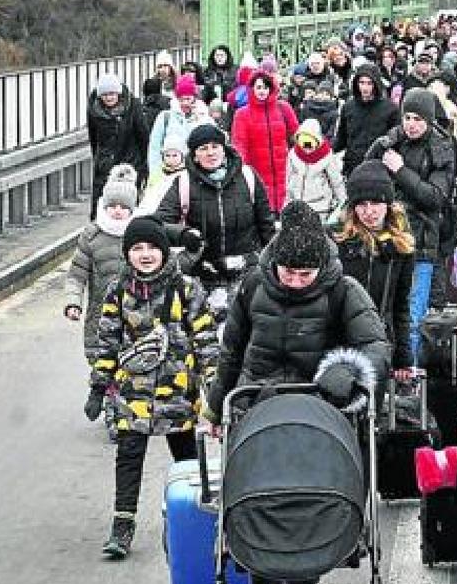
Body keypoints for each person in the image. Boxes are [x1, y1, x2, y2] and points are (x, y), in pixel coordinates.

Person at [89, 217, 217, 560]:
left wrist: (215, 394)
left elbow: (206, 342)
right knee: (128, 457)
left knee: (187, 462)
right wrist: (99, 386)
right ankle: (122, 524)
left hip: (177, 394)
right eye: (136, 248)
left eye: (151, 248)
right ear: (127, 253)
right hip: (134, 395)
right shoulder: (117, 291)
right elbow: (107, 343)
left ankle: (192, 518)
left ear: (163, 250)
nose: (144, 255)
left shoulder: (186, 289)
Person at [205, 201, 391, 423]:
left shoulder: (344, 290)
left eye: (305, 274)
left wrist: (350, 371)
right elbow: (231, 352)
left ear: (321, 267)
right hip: (255, 403)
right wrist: (215, 410)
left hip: (320, 407)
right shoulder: (253, 284)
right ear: (276, 262)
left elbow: (376, 346)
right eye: (289, 272)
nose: (295, 282)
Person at [365, 88, 457, 364]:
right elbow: (366, 174)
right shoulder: (392, 142)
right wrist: (381, 146)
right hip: (385, 238)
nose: (411, 124)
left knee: (412, 317)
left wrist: (401, 171)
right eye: (407, 117)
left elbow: (435, 197)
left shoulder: (441, 148)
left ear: (428, 120)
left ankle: (409, 374)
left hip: (421, 242)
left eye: (418, 118)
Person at [155, 123, 276, 290]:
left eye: (215, 146)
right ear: (195, 155)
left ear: (224, 149)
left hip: (248, 272)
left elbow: (266, 225)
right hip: (203, 274)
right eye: (203, 148)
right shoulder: (183, 182)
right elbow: (159, 224)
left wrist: (270, 263)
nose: (210, 152)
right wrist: (184, 235)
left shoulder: (248, 177)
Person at [66, 164, 139, 414]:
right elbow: (77, 274)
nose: (117, 212)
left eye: (123, 207)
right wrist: (73, 302)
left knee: (132, 357)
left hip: (134, 312)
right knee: (100, 358)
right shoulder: (91, 236)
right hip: (99, 313)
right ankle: (107, 395)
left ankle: (125, 400)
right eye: (112, 206)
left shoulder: (139, 234)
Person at [335, 161, 417, 376]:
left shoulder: (401, 248)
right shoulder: (339, 243)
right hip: (341, 341)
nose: (369, 212)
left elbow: (400, 305)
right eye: (362, 205)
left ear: (387, 205)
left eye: (375, 204)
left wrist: (403, 358)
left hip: (380, 341)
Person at [230, 62, 300, 211]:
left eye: (266, 87)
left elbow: (296, 135)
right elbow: (239, 144)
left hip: (284, 169)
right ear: (252, 89)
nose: (262, 91)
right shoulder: (242, 114)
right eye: (258, 87)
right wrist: (242, 169)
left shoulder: (283, 108)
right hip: (257, 170)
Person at [87, 73, 148, 219]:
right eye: (105, 95)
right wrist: (99, 160)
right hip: (105, 164)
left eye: (112, 94)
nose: (109, 98)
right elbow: (94, 138)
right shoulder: (94, 110)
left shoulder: (133, 106)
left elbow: (143, 136)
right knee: (101, 206)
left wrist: (144, 166)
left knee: (127, 206)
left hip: (129, 164)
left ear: (118, 93)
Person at [336, 63, 400, 178]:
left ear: (376, 84)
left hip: (379, 168)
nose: (365, 88)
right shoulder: (348, 107)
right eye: (361, 83)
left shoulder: (390, 109)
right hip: (352, 167)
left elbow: (395, 142)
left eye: (369, 83)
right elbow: (341, 139)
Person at [146, 74, 199, 194]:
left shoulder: (202, 117)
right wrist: (155, 174)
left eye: (188, 99)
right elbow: (154, 147)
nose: (185, 103)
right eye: (181, 99)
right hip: (166, 174)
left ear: (194, 98)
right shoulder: (165, 117)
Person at [285, 118, 345, 221]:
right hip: (297, 205)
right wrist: (287, 203)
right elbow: (287, 179)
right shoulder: (293, 155)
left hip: (320, 207)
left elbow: (336, 181)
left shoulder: (326, 156)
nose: (307, 148)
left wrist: (343, 203)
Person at [138, 135, 188, 216]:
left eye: (175, 155)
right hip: (150, 211)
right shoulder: (156, 174)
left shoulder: (185, 176)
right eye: (167, 155)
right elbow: (147, 195)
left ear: (182, 156)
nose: (171, 159)